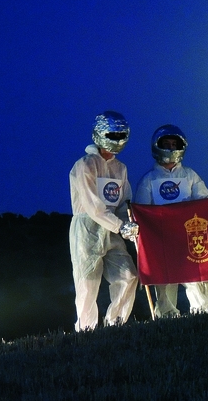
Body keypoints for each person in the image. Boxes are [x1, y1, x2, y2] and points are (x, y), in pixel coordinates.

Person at [134, 124, 208, 316]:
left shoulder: (189, 175)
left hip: (188, 238)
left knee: (196, 277)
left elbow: (203, 200)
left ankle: (204, 314)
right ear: (157, 146)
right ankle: (166, 317)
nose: (170, 149)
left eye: (174, 144)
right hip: (161, 240)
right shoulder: (148, 180)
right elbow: (142, 212)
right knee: (164, 280)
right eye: (166, 144)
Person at [69, 110, 139, 331]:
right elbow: (93, 206)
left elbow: (124, 201)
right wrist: (120, 225)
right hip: (88, 229)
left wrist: (129, 221)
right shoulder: (85, 165)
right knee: (88, 284)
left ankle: (115, 324)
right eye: (112, 135)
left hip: (113, 230)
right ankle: (86, 330)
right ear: (99, 135)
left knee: (128, 275)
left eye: (121, 136)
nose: (117, 140)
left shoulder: (120, 168)